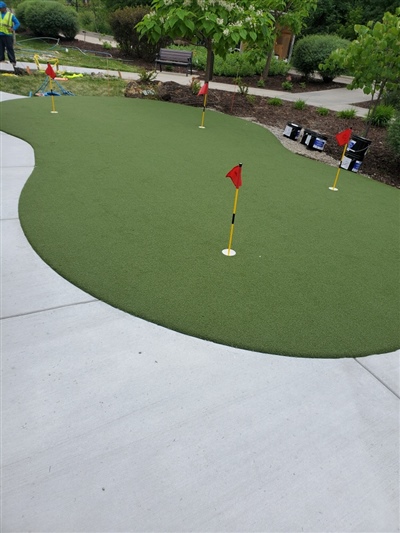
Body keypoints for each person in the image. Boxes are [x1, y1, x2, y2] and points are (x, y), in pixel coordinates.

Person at [0, 1, 20, 69]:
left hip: (7, 35)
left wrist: (13, 28)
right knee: (0, 48)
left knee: (9, 48)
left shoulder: (10, 15)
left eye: (1, 8)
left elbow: (17, 23)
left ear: (4, 8)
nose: (0, 9)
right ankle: (1, 60)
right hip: (0, 34)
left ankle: (12, 61)